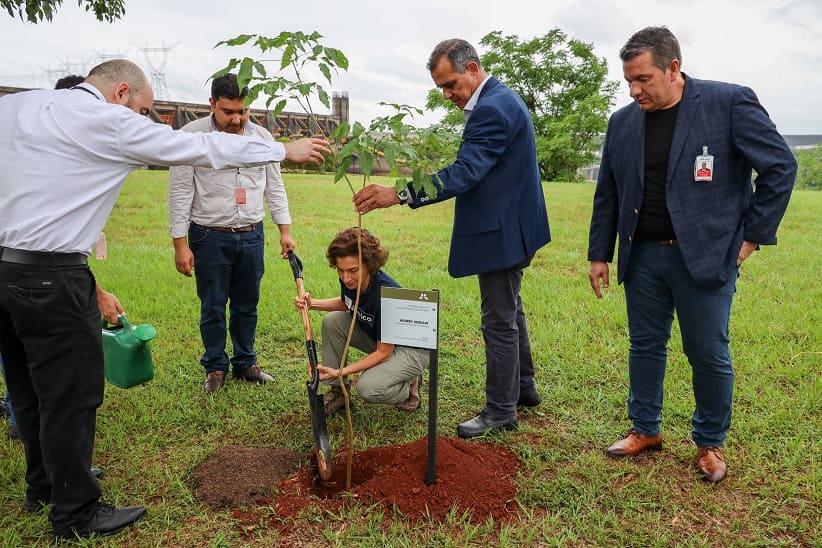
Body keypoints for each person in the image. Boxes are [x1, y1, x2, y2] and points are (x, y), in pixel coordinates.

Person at [0, 59, 330, 540]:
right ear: (122, 93)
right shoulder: (106, 120)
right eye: (145, 111)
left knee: (27, 388)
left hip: (6, 268)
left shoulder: (19, 106)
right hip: (52, 276)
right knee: (69, 394)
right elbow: (191, 148)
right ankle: (75, 513)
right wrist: (284, 148)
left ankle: (45, 486)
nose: (145, 120)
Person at [588, 26, 796, 483]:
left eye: (643, 79)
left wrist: (753, 235)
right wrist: (599, 253)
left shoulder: (728, 103)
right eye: (628, 80)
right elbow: (609, 192)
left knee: (707, 351)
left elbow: (780, 167)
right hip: (641, 255)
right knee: (644, 346)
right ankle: (645, 429)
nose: (634, 90)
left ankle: (709, 443)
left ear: (673, 68)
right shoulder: (622, 122)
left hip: (705, 256)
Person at [353, 39, 550, 439]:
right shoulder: (501, 100)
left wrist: (401, 193)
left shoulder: (493, 108)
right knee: (511, 309)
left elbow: (465, 172)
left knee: (498, 320)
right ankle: (522, 388)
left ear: (473, 69)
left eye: (452, 84)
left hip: (503, 233)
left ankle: (500, 410)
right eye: (441, 88)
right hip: (515, 228)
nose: (448, 96)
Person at [169, 74, 291, 394]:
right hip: (209, 235)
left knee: (247, 303)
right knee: (212, 304)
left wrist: (284, 230)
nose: (237, 119)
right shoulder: (191, 137)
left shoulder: (263, 137)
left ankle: (246, 363)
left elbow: (274, 186)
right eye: (228, 112)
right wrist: (180, 244)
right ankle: (214, 367)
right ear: (211, 104)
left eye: (243, 111)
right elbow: (180, 192)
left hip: (252, 233)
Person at [294, 228, 428, 414]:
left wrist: (341, 372)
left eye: (353, 271)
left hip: (409, 350)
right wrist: (311, 304)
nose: (346, 278)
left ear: (369, 265)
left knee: (368, 388)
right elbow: (348, 303)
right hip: (380, 337)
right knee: (333, 322)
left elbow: (384, 353)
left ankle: (407, 386)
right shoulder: (351, 281)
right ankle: (338, 391)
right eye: (340, 270)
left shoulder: (386, 296)